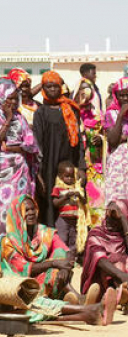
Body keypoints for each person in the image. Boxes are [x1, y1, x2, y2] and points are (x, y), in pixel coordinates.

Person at [0, 77, 39, 231]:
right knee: (0, 211)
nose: (14, 103)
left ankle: (18, 248)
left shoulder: (19, 117)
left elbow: (31, 143)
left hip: (20, 174)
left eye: (16, 99)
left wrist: (15, 148)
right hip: (0, 173)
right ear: (0, 97)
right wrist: (8, 119)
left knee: (19, 211)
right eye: (10, 99)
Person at [0, 196, 75, 301]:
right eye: (26, 210)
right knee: (55, 267)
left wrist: (64, 268)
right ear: (17, 214)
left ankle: (74, 297)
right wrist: (54, 263)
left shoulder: (44, 232)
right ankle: (75, 298)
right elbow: (24, 269)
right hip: (22, 286)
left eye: (33, 209)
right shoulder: (8, 242)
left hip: (45, 279)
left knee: (59, 256)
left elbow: (66, 251)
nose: (31, 213)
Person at [33, 71, 84, 227]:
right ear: (43, 89)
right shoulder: (40, 113)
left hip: (68, 164)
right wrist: (38, 173)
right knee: (48, 201)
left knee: (70, 201)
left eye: (56, 86)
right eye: (49, 86)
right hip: (47, 166)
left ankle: (71, 241)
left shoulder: (71, 110)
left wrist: (81, 166)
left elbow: (79, 141)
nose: (53, 90)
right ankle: (50, 240)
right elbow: (37, 144)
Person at [75, 63, 106, 225]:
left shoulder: (90, 86)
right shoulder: (86, 86)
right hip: (90, 134)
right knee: (94, 173)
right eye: (93, 72)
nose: (95, 75)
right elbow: (80, 105)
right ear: (85, 73)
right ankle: (95, 219)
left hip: (94, 133)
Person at [81, 200, 128, 304]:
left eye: (114, 218)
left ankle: (121, 297)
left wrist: (124, 220)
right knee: (117, 263)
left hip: (124, 278)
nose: (109, 220)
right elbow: (100, 260)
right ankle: (118, 297)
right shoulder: (96, 233)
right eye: (108, 215)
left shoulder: (123, 235)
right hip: (104, 280)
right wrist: (120, 274)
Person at [51, 161, 90, 258]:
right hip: (63, 219)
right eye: (67, 176)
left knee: (74, 240)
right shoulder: (58, 188)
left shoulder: (77, 188)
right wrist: (65, 197)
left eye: (72, 176)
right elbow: (55, 203)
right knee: (63, 238)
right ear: (60, 176)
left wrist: (80, 196)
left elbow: (84, 202)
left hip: (74, 220)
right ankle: (61, 257)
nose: (70, 179)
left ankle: (71, 259)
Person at [104, 78, 128, 204]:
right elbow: (113, 141)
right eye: (121, 95)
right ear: (116, 96)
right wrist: (120, 116)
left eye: (127, 95)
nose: (124, 98)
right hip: (119, 165)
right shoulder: (111, 113)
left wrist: (124, 138)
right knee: (119, 202)